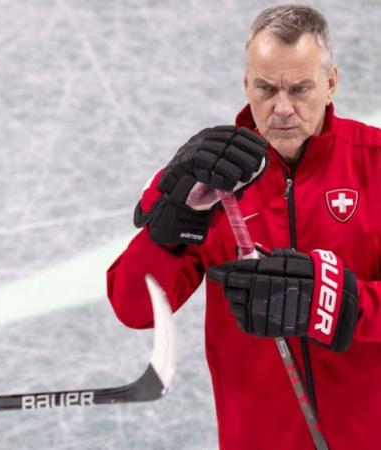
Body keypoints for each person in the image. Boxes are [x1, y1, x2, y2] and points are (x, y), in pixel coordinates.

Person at [107, 5, 381, 450]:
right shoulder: (207, 180)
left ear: (331, 83)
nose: (283, 108)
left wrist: (339, 305)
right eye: (267, 88)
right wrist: (174, 222)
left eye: (300, 88)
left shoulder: (376, 162)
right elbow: (132, 306)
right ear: (246, 84)